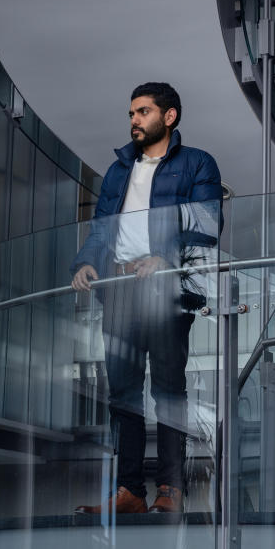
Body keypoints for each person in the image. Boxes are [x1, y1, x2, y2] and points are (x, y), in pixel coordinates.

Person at [70, 82, 222, 514]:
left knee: (169, 389)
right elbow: (101, 227)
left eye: (142, 112)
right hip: (118, 290)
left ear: (168, 117)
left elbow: (206, 225)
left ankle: (170, 489)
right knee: (121, 393)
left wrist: (165, 259)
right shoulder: (119, 169)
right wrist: (85, 263)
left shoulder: (196, 163)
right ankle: (130, 491)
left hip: (166, 289)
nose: (134, 120)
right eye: (131, 113)